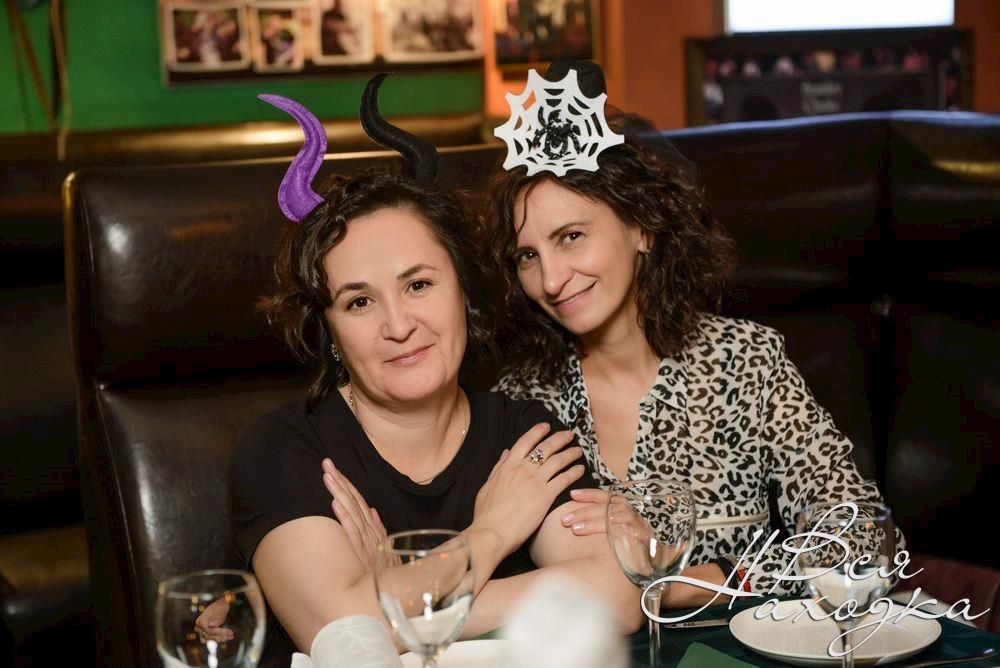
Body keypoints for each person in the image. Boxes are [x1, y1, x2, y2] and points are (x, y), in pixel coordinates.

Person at [222, 77, 643, 663]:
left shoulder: (527, 435)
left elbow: (618, 596)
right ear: (330, 331)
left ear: (463, 293)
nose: (398, 325)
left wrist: (393, 595)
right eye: (359, 302)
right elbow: (340, 633)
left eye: (418, 285)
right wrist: (491, 533)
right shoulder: (281, 449)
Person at [478, 60, 902, 605]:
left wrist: (675, 582)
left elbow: (863, 538)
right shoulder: (522, 401)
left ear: (641, 228)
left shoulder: (745, 363)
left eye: (571, 236)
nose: (552, 279)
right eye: (527, 256)